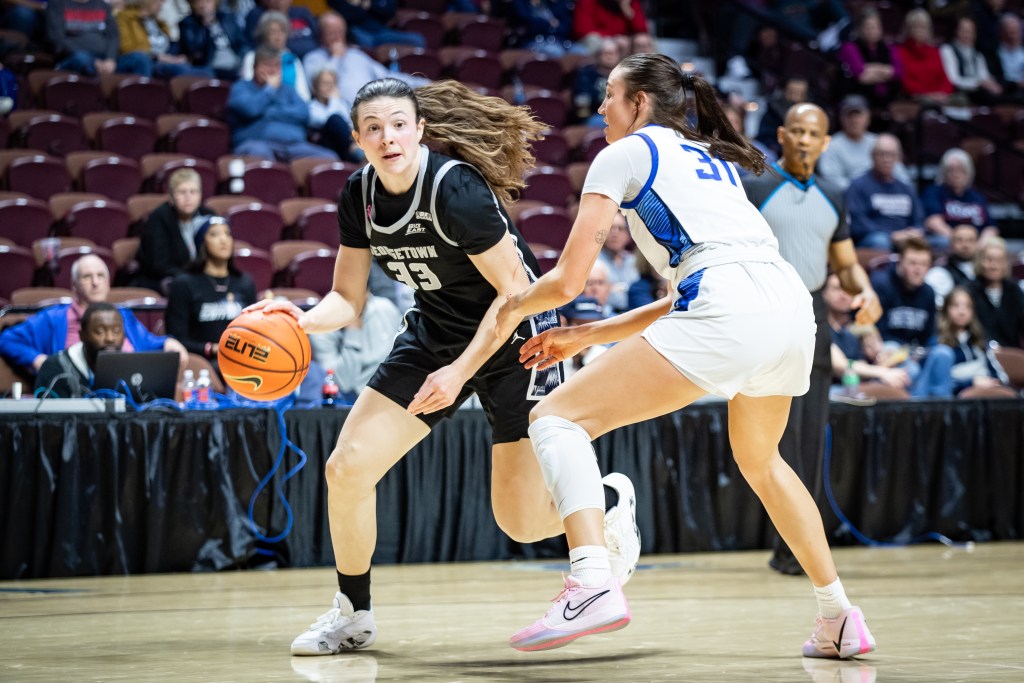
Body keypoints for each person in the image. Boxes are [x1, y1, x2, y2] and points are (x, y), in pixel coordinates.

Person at [495, 53, 876, 658]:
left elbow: (568, 282)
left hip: (728, 305)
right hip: (787, 306)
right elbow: (693, 289)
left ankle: (592, 580)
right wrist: (586, 336)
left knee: (556, 418)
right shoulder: (712, 161)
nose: (599, 109)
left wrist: (510, 308)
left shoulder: (622, 154)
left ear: (639, 103)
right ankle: (839, 616)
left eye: (609, 96)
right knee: (765, 462)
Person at [245, 78, 641, 655]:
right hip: (435, 333)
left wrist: (459, 372)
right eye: (374, 128)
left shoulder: (456, 191)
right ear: (357, 138)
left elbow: (513, 297)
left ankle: (607, 508)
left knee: (523, 524)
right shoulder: (359, 196)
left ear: (420, 129)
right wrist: (296, 320)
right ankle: (353, 614)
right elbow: (347, 300)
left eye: (399, 124)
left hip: (516, 341)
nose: (388, 137)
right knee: (347, 468)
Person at [742, 101, 881, 576]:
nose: (804, 140)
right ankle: (792, 549)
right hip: (765, 319)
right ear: (781, 135)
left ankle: (801, 548)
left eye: (813, 134)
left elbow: (845, 263)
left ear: (825, 142)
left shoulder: (834, 195)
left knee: (807, 439)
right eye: (796, 131)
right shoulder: (755, 186)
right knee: (774, 443)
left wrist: (866, 292)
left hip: (815, 320)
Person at [0, 254, 187, 375]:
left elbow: (147, 342)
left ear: (108, 283)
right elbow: (6, 339)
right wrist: (37, 359)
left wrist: (168, 342)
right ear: (74, 285)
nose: (95, 282)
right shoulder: (54, 318)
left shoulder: (122, 315)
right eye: (87, 277)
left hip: (126, 397)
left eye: (101, 276)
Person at [164, 216, 258, 367]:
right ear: (202, 242)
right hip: (204, 362)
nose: (223, 240)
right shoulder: (184, 284)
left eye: (227, 234)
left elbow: (255, 330)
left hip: (243, 360)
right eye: (214, 234)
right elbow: (177, 339)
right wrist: (213, 348)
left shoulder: (244, 282)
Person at [227, 45, 337, 161]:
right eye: (267, 65)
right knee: (262, 157)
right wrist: (270, 89)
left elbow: (304, 114)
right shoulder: (241, 88)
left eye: (276, 66)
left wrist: (269, 112)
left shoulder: (288, 90)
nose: (272, 70)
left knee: (329, 158)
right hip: (257, 144)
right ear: (255, 67)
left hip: (294, 146)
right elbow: (251, 109)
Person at [301, 12, 428, 108]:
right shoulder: (312, 59)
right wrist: (336, 58)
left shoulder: (356, 54)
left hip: (375, 108)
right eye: (331, 32)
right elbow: (319, 89)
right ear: (321, 35)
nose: (337, 37)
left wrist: (424, 83)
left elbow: (387, 76)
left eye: (340, 31)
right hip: (342, 115)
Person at [308, 291, 401, 403]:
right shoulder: (321, 329)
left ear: (367, 292)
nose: (352, 301)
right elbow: (344, 383)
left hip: (392, 394)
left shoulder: (386, 309)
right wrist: (352, 332)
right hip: (348, 404)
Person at [134, 168, 216, 293]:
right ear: (171, 197)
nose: (188, 197)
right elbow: (158, 264)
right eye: (182, 192)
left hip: (201, 279)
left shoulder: (209, 216)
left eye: (193, 192)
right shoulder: (159, 218)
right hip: (163, 280)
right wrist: (192, 277)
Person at [845, 133, 925, 251]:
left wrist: (914, 232)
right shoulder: (858, 186)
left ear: (898, 158)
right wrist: (891, 235)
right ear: (872, 156)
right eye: (881, 154)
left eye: (891, 155)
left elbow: (918, 219)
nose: (886, 159)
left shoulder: (906, 188)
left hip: (904, 238)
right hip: (873, 240)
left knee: (940, 242)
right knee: (880, 240)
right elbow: (857, 223)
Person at [816, 94, 911, 193]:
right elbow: (831, 180)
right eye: (850, 116)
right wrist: (864, 192)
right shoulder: (831, 145)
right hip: (850, 199)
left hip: (885, 195)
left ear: (868, 117)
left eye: (859, 115)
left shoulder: (879, 142)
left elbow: (902, 176)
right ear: (842, 118)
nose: (855, 120)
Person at [34, 302, 126, 398]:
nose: (110, 339)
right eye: (100, 331)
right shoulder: (55, 368)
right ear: (82, 335)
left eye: (116, 331)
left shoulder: (131, 368)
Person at [922, 148, 997, 254]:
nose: (956, 174)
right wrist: (960, 242)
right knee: (943, 242)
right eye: (951, 170)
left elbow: (991, 228)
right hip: (947, 239)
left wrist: (979, 244)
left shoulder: (977, 197)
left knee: (995, 245)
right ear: (944, 172)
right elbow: (933, 222)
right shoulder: (934, 192)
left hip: (975, 243)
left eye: (960, 170)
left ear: (969, 172)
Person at [46, 0, 151, 76]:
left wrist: (111, 59)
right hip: (74, 58)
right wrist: (94, 62)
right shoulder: (57, 3)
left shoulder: (101, 5)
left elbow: (113, 36)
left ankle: (141, 102)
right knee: (83, 59)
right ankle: (98, 103)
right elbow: (57, 40)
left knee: (140, 58)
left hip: (106, 60)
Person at [116, 0, 215, 79]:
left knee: (207, 72)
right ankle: (144, 98)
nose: (163, 3)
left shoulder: (159, 23)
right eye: (160, 0)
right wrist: (158, 57)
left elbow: (170, 47)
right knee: (179, 70)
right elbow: (127, 49)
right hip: (149, 62)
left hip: (167, 61)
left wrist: (178, 57)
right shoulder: (124, 18)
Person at [835, 7, 902, 110]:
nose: (873, 31)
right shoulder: (850, 47)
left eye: (876, 27)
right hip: (857, 94)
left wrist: (870, 69)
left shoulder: (889, 48)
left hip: (888, 96)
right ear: (860, 29)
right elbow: (860, 74)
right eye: (868, 27)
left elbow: (898, 72)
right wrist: (886, 71)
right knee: (856, 104)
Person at [967, 235, 1024, 348]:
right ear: (980, 261)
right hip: (979, 354)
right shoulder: (969, 290)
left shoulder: (1014, 290)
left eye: (999, 260)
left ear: (1005, 263)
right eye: (989, 260)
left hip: (1011, 354)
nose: (993, 266)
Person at [241, 11, 311, 100]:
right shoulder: (251, 57)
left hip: (289, 109)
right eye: (273, 32)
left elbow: (304, 96)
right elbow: (248, 91)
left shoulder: (293, 59)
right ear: (264, 34)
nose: (278, 36)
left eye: (282, 31)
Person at [941, 15, 1004, 105]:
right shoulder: (948, 50)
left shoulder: (977, 55)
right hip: (959, 91)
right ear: (956, 31)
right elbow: (953, 80)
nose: (967, 35)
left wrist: (991, 84)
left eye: (970, 32)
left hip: (978, 92)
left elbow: (984, 76)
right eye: (964, 31)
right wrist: (978, 83)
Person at [177, 0, 248, 80]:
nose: (202, 5)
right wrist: (205, 26)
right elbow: (194, 51)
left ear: (215, 3)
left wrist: (245, 61)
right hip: (211, 66)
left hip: (236, 62)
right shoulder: (188, 23)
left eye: (207, 1)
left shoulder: (227, 18)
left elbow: (242, 44)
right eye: (198, 2)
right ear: (193, 5)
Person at [896, 9, 955, 103]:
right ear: (908, 29)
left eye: (923, 27)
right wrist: (928, 95)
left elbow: (945, 79)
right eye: (915, 27)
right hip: (915, 99)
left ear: (929, 30)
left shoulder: (935, 52)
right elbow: (905, 81)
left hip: (939, 98)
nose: (919, 30)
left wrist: (941, 93)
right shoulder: (900, 52)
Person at [926, 223, 980, 307]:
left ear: (978, 244)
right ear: (950, 244)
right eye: (959, 240)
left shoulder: (985, 271)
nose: (965, 245)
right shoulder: (939, 273)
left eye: (970, 240)